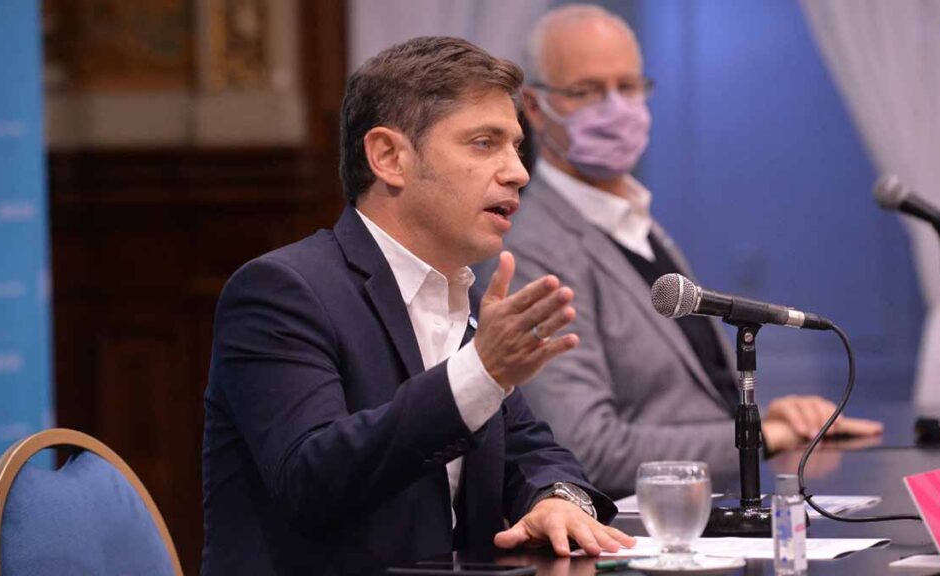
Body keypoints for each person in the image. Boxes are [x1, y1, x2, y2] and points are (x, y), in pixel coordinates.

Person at [200, 36, 634, 575]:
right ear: (389, 157)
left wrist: (556, 499)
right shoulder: (281, 292)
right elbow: (310, 479)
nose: (519, 172)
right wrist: (479, 373)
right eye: (484, 143)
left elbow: (532, 451)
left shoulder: (461, 295)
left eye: (516, 146)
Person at [498, 5, 882, 498]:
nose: (615, 108)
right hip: (643, 530)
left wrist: (766, 418)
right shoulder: (532, 247)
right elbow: (585, 448)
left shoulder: (635, 221)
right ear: (533, 107)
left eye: (628, 86)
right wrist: (765, 437)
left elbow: (684, 398)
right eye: (586, 91)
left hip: (711, 515)